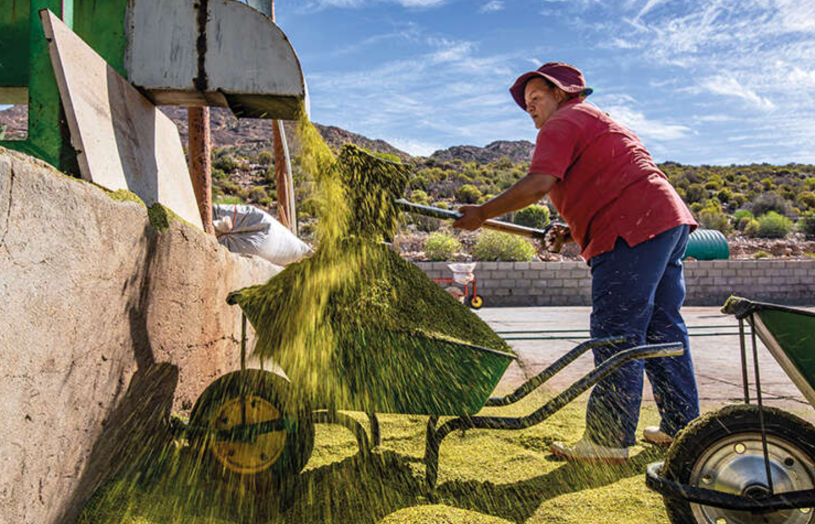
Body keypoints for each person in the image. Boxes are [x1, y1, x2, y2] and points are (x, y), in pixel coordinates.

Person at [453, 62, 700, 463]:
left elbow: (538, 184)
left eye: (537, 98)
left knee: (616, 331)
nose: (531, 107)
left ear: (563, 93)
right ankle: (683, 427)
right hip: (665, 221)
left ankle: (608, 439)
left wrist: (481, 212)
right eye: (526, 102)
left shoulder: (562, 123)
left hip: (630, 229)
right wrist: (571, 229)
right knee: (662, 328)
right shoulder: (594, 121)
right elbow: (610, 179)